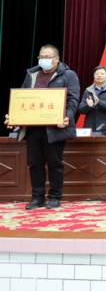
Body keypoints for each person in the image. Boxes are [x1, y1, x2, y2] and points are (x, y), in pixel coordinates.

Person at [4, 45, 80, 209]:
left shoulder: (68, 75)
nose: (43, 60)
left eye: (47, 57)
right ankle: (37, 197)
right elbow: (22, 98)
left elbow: (73, 100)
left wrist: (67, 117)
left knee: (54, 163)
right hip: (33, 127)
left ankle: (55, 197)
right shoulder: (31, 74)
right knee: (34, 164)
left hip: (55, 127)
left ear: (57, 59)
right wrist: (14, 116)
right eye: (41, 57)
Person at [78, 66, 106, 135]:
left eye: (102, 74)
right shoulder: (88, 91)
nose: (99, 75)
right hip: (90, 129)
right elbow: (80, 109)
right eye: (96, 74)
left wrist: (99, 102)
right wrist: (88, 106)